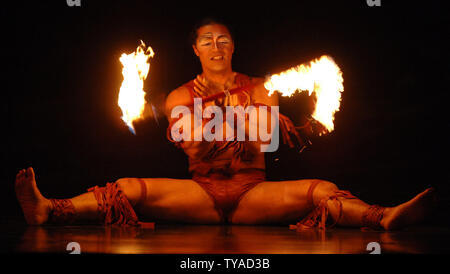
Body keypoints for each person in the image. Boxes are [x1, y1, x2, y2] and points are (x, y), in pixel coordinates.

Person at [15, 18, 435, 230]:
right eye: (206, 41)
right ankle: (49, 209)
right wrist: (238, 117)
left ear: (233, 46)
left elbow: (264, 138)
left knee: (323, 190)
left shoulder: (264, 88)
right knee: (124, 186)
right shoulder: (181, 96)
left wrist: (292, 128)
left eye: (223, 40)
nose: (216, 46)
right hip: (200, 193)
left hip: (254, 193)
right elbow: (196, 144)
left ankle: (384, 216)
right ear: (195, 50)